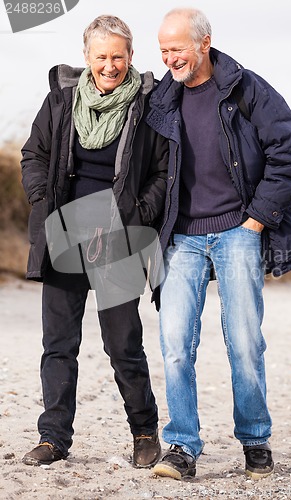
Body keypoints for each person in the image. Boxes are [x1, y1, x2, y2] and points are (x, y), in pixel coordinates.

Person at [145, 8, 291, 480]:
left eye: (177, 48)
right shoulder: (161, 97)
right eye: (163, 50)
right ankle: (181, 447)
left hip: (239, 230)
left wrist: (258, 219)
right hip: (182, 238)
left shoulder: (246, 88)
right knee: (175, 343)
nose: (169, 58)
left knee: (244, 341)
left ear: (204, 43)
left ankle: (256, 440)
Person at [21, 15, 168, 468]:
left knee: (123, 342)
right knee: (58, 343)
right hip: (65, 234)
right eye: (101, 56)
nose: (110, 65)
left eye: (118, 56)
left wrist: (135, 216)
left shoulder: (149, 105)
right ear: (87, 57)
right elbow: (35, 155)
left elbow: (163, 172)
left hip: (119, 239)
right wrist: (45, 202)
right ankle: (53, 439)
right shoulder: (62, 101)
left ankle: (144, 432)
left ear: (130, 56)